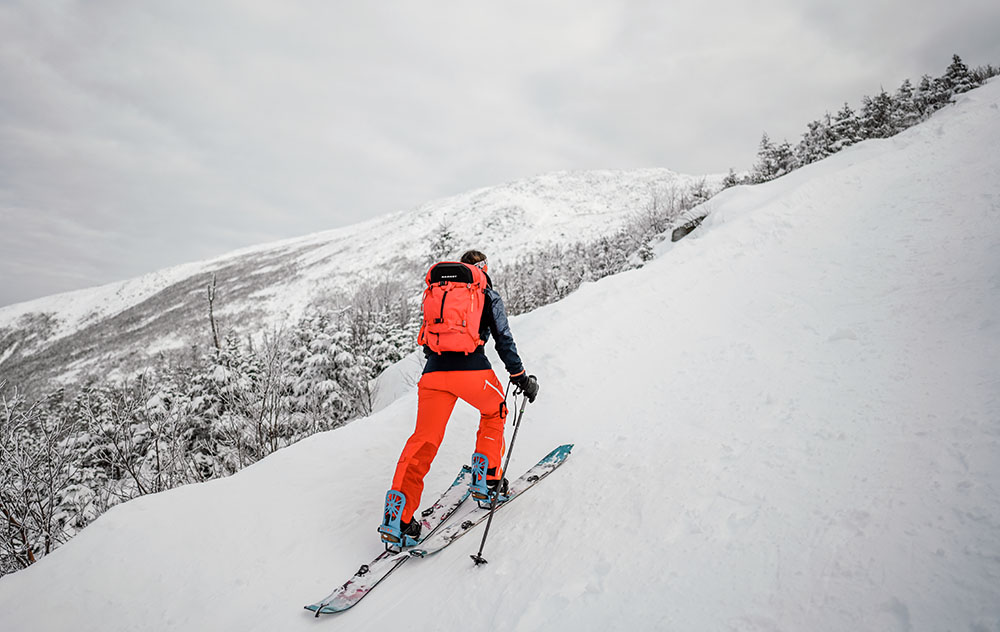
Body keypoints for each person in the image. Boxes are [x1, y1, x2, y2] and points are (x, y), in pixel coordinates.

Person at [379, 249, 539, 547]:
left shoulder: (438, 292)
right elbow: (503, 338)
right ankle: (488, 479)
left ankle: (397, 517)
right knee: (495, 411)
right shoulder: (486, 294)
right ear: (483, 269)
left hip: (433, 375)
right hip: (471, 371)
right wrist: (519, 377)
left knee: (423, 439)